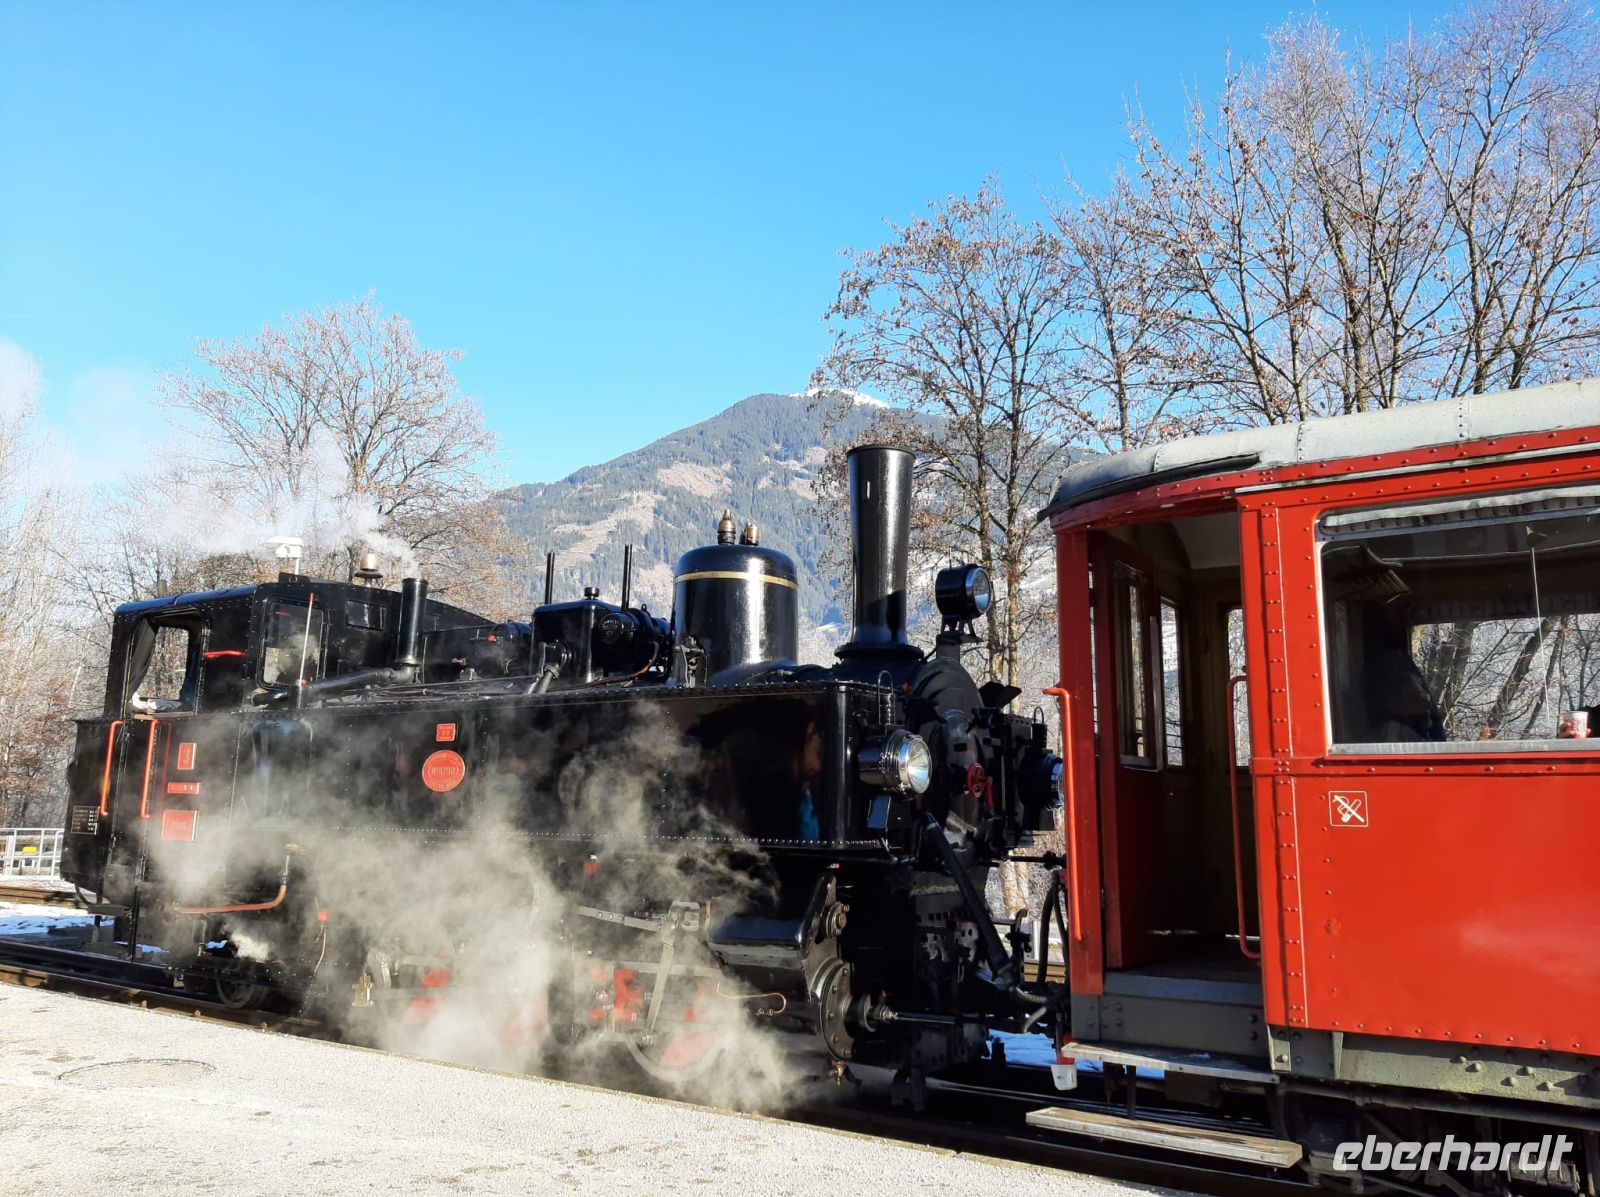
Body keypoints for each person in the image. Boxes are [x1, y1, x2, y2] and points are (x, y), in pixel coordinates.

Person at [1363, 650, 1445, 742]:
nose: (1427, 704)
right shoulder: (1394, 732)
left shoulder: (1420, 735)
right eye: (1417, 698)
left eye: (1425, 697)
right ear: (1393, 704)